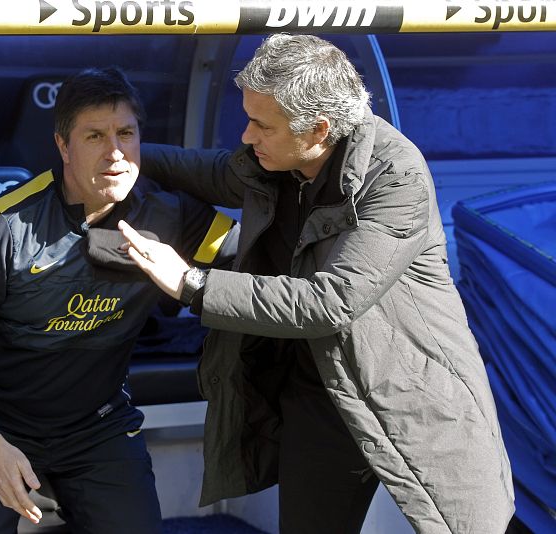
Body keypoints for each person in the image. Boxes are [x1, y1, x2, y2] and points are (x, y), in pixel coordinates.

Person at [118, 34, 514, 533]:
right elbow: (212, 171)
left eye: (262, 125)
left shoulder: (395, 175)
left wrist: (191, 282)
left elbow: (329, 303)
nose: (245, 136)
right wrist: (123, 151)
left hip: (410, 394)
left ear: (318, 129)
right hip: (318, 392)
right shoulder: (277, 161)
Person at [0, 67, 238, 534]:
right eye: (94, 136)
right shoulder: (7, 225)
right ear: (63, 145)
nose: (115, 152)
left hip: (98, 426)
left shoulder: (169, 212)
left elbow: (246, 257)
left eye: (125, 134)